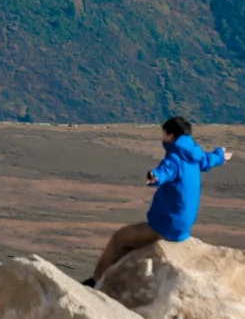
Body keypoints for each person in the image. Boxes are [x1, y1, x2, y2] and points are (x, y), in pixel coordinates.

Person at [83, 115, 231, 285]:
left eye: (164, 134)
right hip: (184, 226)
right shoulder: (194, 156)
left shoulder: (175, 157)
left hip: (166, 226)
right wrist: (220, 155)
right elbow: (208, 159)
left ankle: (96, 281)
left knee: (120, 239)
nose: (162, 137)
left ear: (171, 136)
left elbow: (166, 170)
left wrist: (155, 176)